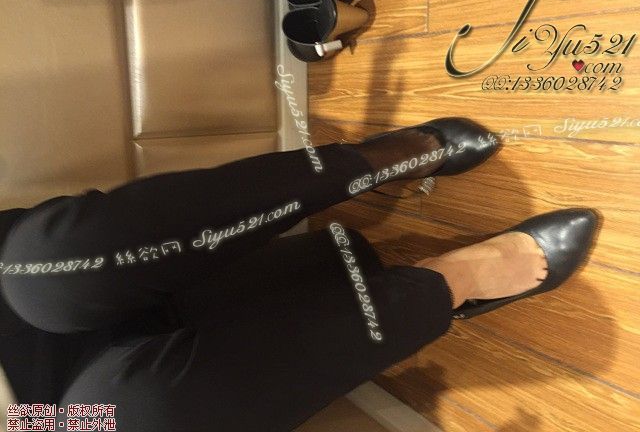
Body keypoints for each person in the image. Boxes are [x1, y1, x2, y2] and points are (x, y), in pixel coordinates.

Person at [0, 118, 597, 432]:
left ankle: (373, 160)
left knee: (46, 271)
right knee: (127, 419)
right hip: (41, 416)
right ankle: (450, 282)